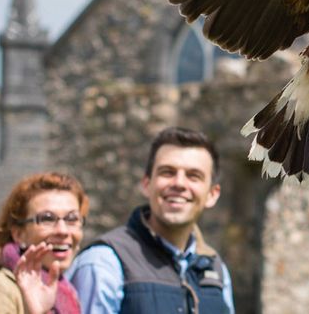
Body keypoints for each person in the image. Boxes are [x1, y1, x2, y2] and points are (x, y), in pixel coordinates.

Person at [67, 127, 234, 314]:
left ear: (212, 194)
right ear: (146, 184)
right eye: (167, 172)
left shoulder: (217, 271)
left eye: (193, 176)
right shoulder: (103, 263)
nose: (179, 183)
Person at [0, 172, 89, 314]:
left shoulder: (68, 294)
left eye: (72, 218)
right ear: (18, 234)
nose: (63, 230)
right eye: (47, 219)